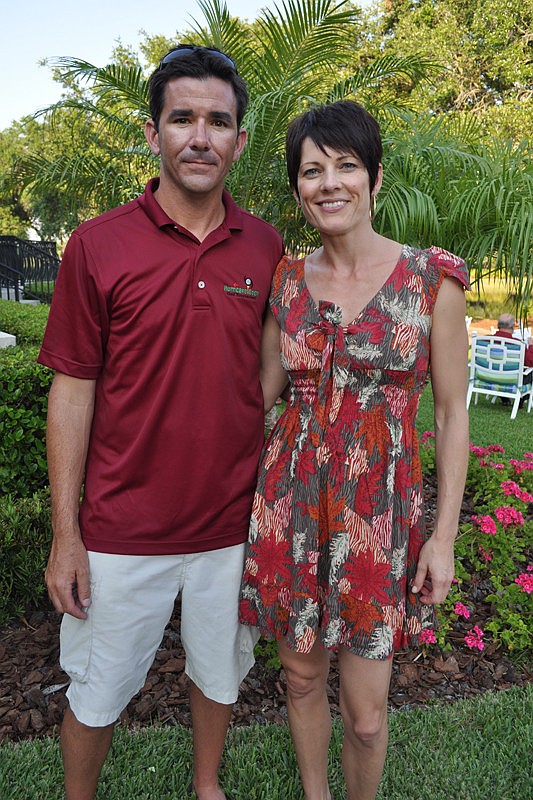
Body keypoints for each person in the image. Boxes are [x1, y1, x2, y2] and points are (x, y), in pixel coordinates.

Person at [38, 44, 283, 800]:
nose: (200, 136)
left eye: (218, 121)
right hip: (120, 529)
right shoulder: (97, 245)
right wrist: (66, 533)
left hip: (229, 524)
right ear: (153, 133)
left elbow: (269, 378)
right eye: (182, 118)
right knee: (97, 688)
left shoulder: (267, 247)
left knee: (220, 674)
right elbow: (73, 390)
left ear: (240, 140)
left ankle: (205, 786)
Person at [239, 100, 470, 800]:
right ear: (297, 186)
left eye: (345, 166)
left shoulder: (431, 280)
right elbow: (259, 399)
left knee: (367, 718)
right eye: (312, 170)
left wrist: (442, 538)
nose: (329, 183)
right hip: (290, 506)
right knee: (302, 678)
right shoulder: (284, 280)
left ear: (373, 177)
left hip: (379, 515)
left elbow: (453, 411)